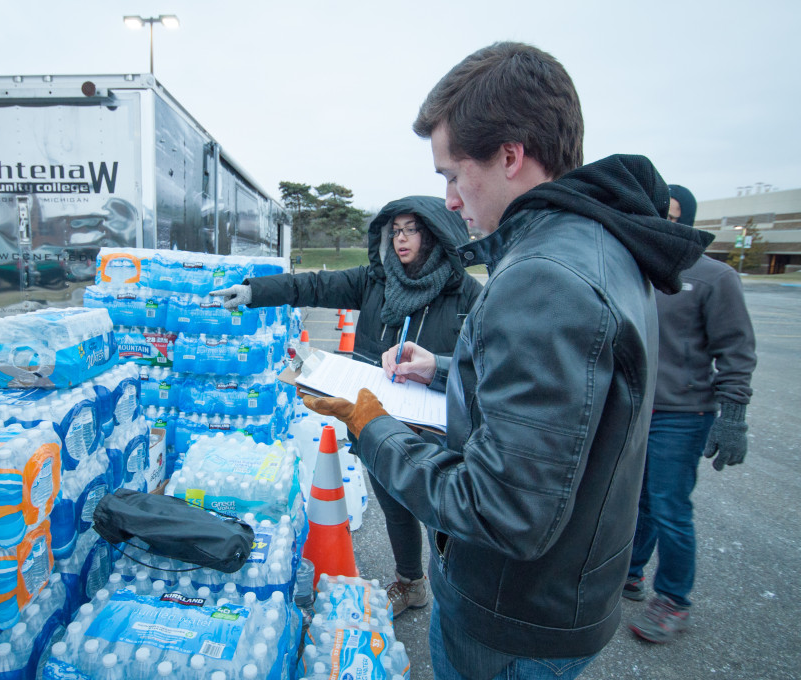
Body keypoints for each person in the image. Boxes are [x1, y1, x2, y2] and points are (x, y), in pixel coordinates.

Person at [304, 42, 714, 680]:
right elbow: (578, 401)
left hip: (512, 615)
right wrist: (440, 369)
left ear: (510, 156)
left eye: (451, 173)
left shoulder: (544, 276)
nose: (452, 201)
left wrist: (373, 425)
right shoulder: (598, 244)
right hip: (562, 594)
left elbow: (499, 510)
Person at [211, 195, 483, 614]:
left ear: (436, 234)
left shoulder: (469, 296)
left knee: (443, 518)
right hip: (374, 420)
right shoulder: (376, 281)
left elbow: (486, 367)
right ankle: (411, 582)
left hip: (435, 430)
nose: (401, 239)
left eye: (412, 229)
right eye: (395, 231)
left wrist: (440, 368)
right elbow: (314, 286)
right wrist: (253, 292)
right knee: (394, 506)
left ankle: (460, 601)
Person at [623, 184, 757, 643]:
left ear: (690, 221)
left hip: (685, 413)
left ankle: (674, 599)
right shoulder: (639, 271)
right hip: (636, 410)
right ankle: (632, 572)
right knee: (636, 500)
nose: (665, 222)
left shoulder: (714, 278)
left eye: (674, 215)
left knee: (669, 505)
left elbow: (736, 351)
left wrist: (734, 416)